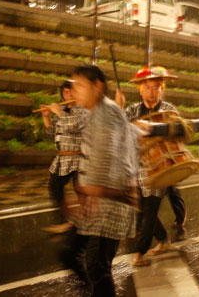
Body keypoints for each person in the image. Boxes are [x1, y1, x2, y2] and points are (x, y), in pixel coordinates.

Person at [70, 64, 140, 297]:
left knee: (97, 266)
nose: (74, 90)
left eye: (79, 85)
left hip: (109, 201)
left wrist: (90, 189)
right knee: (93, 263)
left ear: (97, 86)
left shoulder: (105, 112)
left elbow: (108, 155)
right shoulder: (99, 111)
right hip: (102, 199)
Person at [116, 66, 185, 266]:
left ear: (162, 89)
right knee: (143, 208)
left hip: (161, 165)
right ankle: (163, 240)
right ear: (140, 89)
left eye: (156, 87)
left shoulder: (169, 110)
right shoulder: (133, 110)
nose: (151, 91)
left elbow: (181, 130)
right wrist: (118, 108)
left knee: (150, 209)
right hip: (137, 166)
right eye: (147, 87)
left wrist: (153, 129)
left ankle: (140, 253)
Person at [40, 80, 87, 233]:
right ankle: (65, 220)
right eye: (65, 92)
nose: (68, 95)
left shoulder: (82, 110)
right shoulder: (62, 109)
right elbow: (50, 133)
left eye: (71, 91)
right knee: (54, 187)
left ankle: (88, 222)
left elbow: (73, 126)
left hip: (79, 158)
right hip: (62, 158)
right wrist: (46, 117)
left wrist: (59, 113)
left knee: (81, 192)